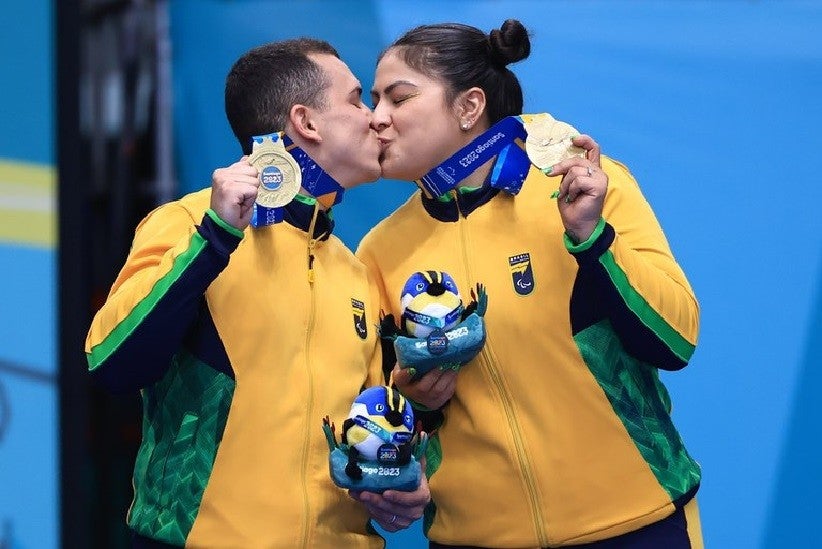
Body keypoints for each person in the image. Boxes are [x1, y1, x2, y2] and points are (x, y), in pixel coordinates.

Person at [357, 19, 703, 549]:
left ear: (470, 107)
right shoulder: (382, 249)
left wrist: (593, 239)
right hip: (475, 537)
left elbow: (675, 340)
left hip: (636, 522)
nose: (376, 118)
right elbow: (388, 415)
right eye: (374, 99)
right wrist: (415, 401)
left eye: (398, 99)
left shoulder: (579, 184)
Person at [85, 38, 428, 548]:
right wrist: (215, 237)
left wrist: (403, 483)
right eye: (357, 100)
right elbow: (112, 364)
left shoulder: (353, 271)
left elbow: (371, 427)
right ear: (306, 122)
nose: (376, 119)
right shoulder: (191, 225)